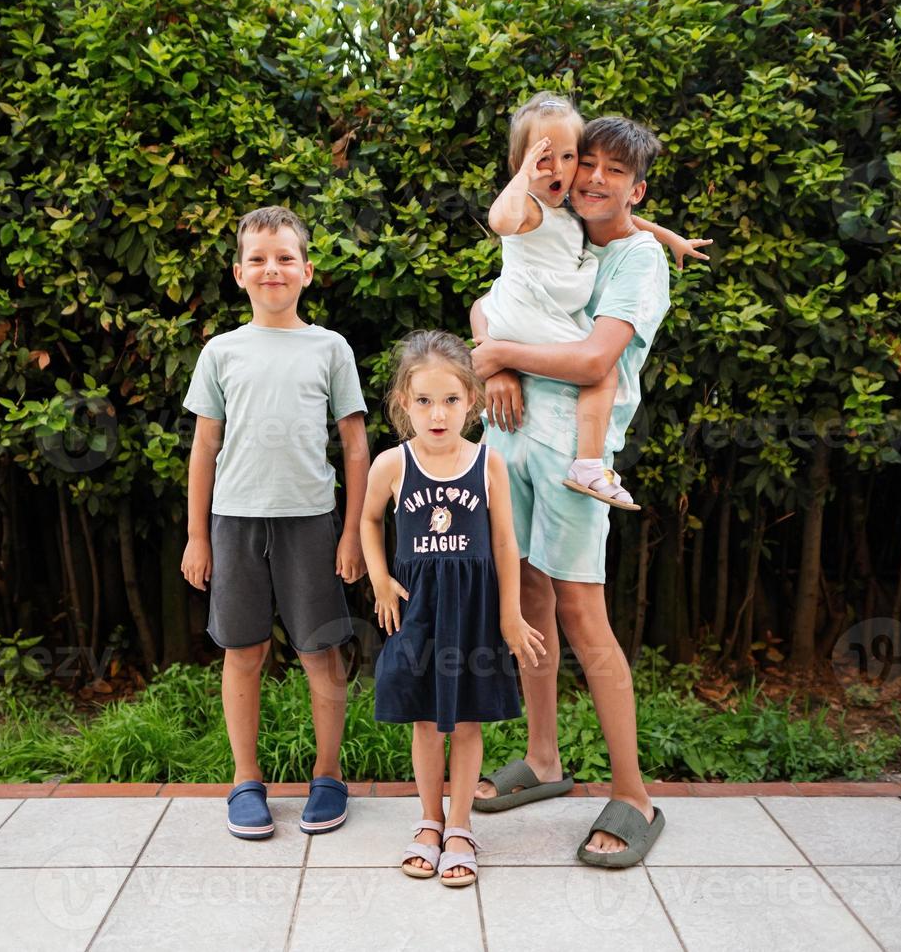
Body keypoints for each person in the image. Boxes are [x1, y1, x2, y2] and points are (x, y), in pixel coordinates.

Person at [469, 116, 677, 868]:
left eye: (612, 172)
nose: (591, 177)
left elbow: (594, 361)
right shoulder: (568, 229)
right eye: (584, 162)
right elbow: (492, 300)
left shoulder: (640, 261)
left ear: (637, 187)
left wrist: (498, 353)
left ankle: (635, 796)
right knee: (527, 593)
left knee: (582, 607)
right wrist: (492, 368)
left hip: (573, 456)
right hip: (509, 437)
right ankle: (546, 758)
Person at [181, 205, 369, 840]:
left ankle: (328, 776)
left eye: (285, 257)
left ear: (307, 270)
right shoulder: (221, 352)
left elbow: (355, 445)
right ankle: (245, 781)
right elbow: (204, 448)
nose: (272, 269)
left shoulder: (330, 348)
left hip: (312, 524)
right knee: (244, 651)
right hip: (234, 525)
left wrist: (352, 534)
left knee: (321, 653)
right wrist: (197, 536)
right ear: (239, 273)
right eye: (258, 259)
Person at [361, 330, 545, 887]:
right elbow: (369, 520)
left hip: (473, 612)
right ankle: (428, 821)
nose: (436, 414)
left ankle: (461, 825)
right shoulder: (393, 465)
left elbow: (507, 545)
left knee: (465, 721)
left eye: (449, 400)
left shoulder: (488, 464)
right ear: (403, 404)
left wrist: (510, 615)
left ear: (472, 400)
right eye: (423, 401)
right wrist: (380, 580)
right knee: (423, 719)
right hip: (417, 611)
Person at [480, 91, 710, 512]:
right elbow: (498, 229)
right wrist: (497, 364)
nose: (568, 172)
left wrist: (670, 237)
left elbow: (626, 216)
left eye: (570, 158)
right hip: (521, 371)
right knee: (599, 374)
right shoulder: (529, 207)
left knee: (594, 366)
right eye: (546, 159)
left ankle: (587, 463)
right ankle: (588, 465)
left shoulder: (572, 213)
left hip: (541, 384)